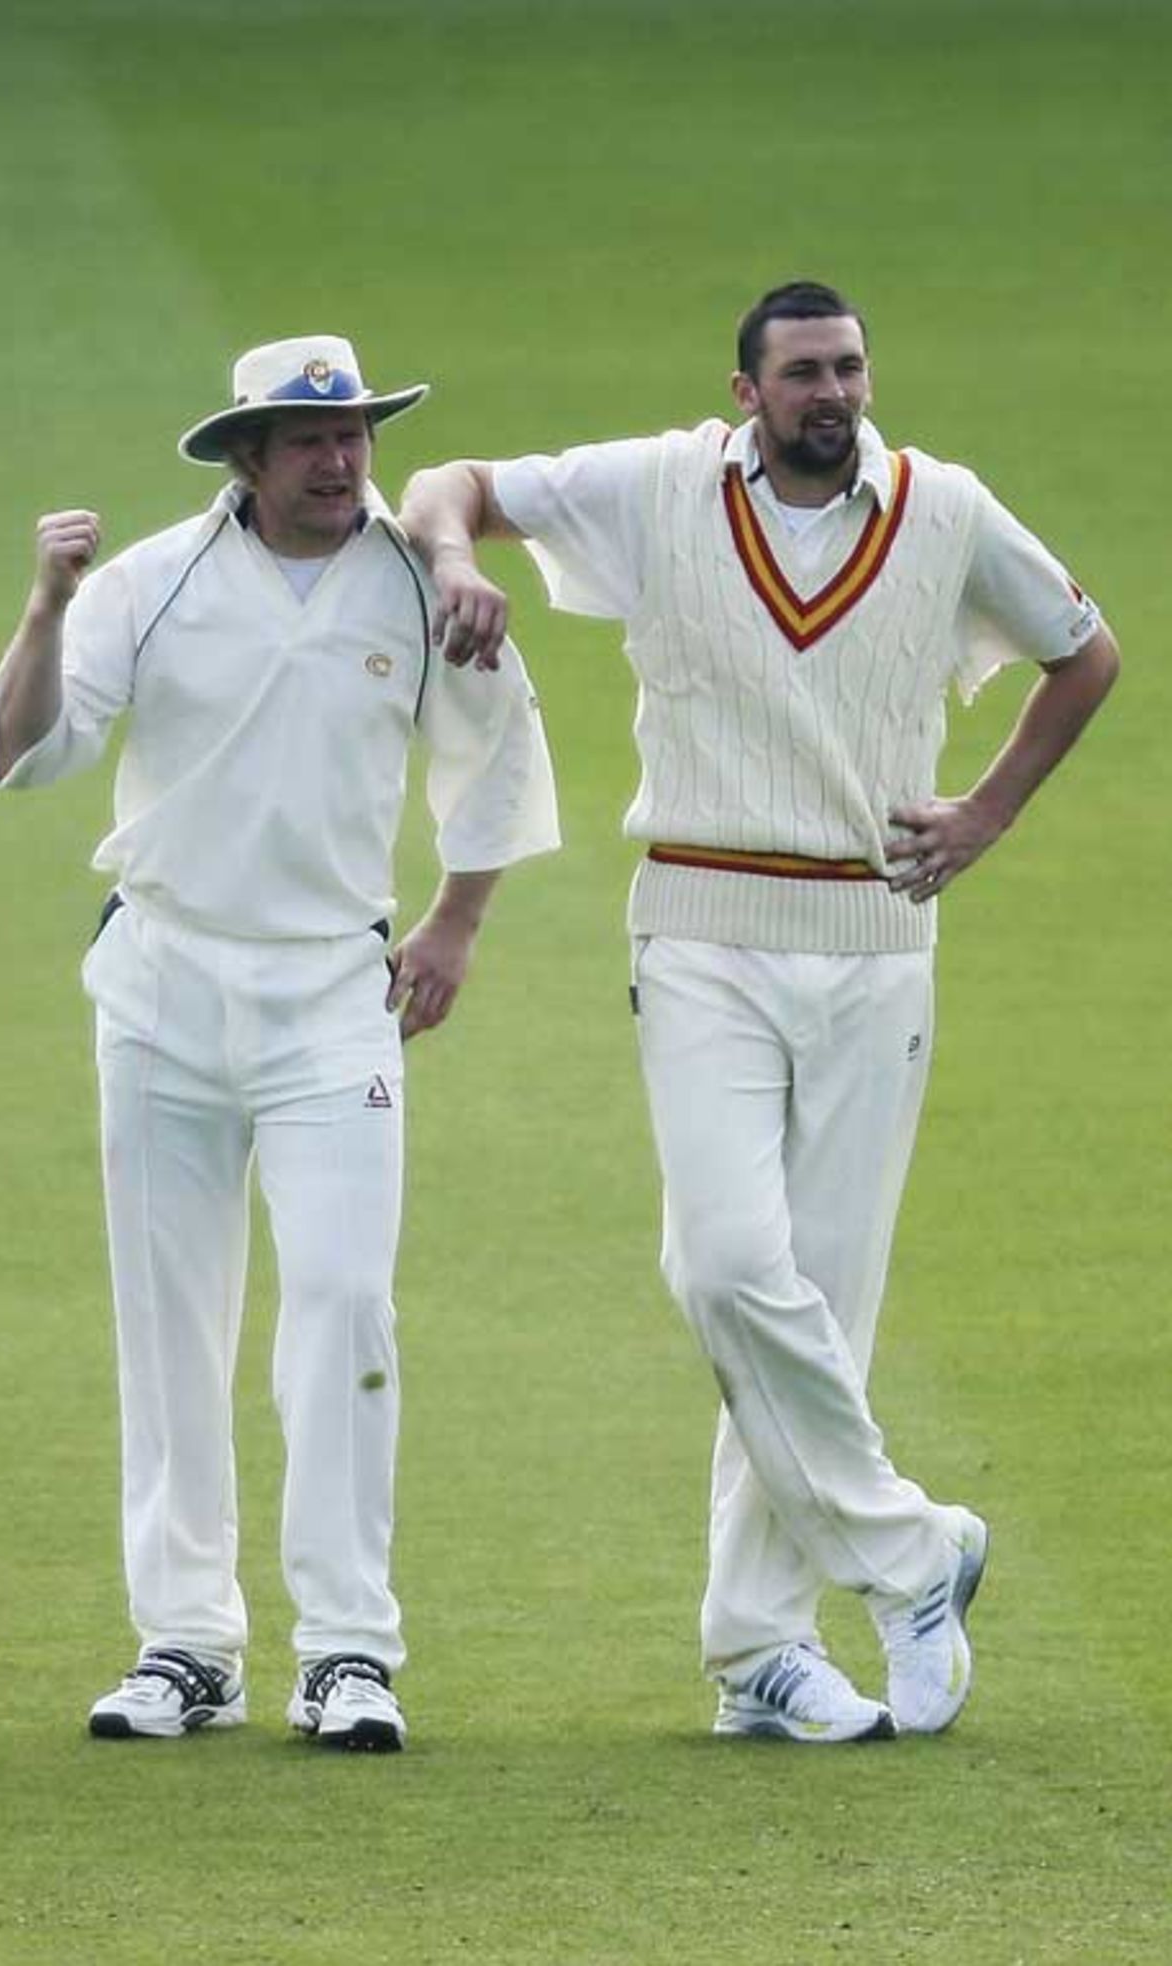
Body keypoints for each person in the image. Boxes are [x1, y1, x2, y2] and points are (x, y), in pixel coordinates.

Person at [399, 281, 1119, 1744]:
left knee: (821, 1318)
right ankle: (917, 1557)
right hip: (704, 927)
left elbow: (1086, 651)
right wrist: (452, 559)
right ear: (745, 392)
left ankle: (759, 1650)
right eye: (801, 373)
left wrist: (988, 811)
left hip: (875, 937)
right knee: (728, 1265)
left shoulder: (945, 507)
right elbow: (448, 483)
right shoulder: (662, 489)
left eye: (849, 368)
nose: (832, 393)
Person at [0, 334, 559, 1751]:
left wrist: (455, 924)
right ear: (245, 456)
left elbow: (501, 761)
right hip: (163, 981)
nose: (339, 457)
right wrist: (46, 605)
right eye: (305, 438)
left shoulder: (421, 579)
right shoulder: (148, 581)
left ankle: (349, 1651)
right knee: (171, 1318)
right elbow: (22, 750)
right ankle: (186, 1641)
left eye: (353, 431)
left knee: (346, 1307)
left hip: (329, 992)